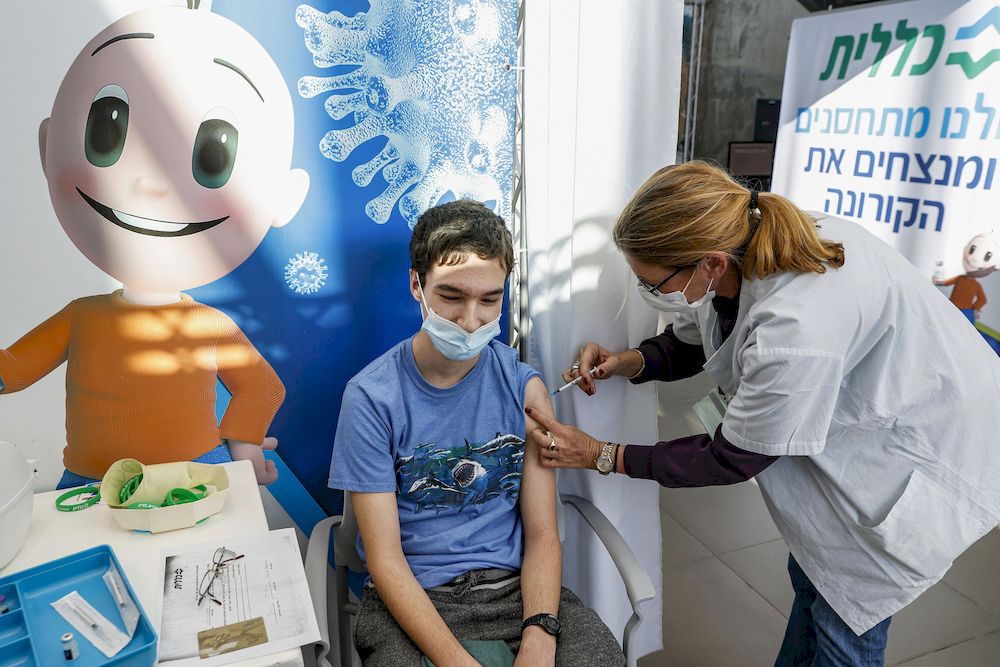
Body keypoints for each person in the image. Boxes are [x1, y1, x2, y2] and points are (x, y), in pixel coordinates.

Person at [524, 161, 1000, 666]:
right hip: (872, 415)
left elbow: (729, 459)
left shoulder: (794, 327)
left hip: (920, 451)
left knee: (845, 624)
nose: (651, 294)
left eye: (654, 284)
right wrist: (631, 362)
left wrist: (600, 454)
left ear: (710, 264)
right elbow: (704, 339)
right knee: (815, 580)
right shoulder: (741, 244)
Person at [0, 5, 309, 487]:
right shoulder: (82, 317)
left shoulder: (207, 325)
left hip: (194, 478)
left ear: (282, 198)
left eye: (213, 156)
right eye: (107, 131)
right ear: (48, 147)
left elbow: (263, 388)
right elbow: (14, 369)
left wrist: (244, 450)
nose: (150, 185)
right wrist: (247, 451)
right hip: (91, 486)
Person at [329, 200, 625, 667]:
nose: (471, 320)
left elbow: (543, 533)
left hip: (514, 592)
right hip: (414, 598)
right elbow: (385, 560)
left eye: (489, 300)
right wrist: (457, 661)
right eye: (451, 296)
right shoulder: (371, 398)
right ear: (416, 285)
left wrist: (540, 636)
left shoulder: (523, 389)